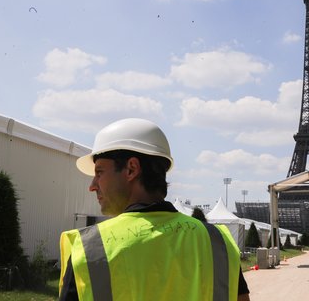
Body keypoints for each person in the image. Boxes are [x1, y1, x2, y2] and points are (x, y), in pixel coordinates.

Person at [58, 118, 250, 301]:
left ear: (131, 169)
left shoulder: (91, 248)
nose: (92, 185)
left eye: (99, 172)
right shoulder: (217, 243)